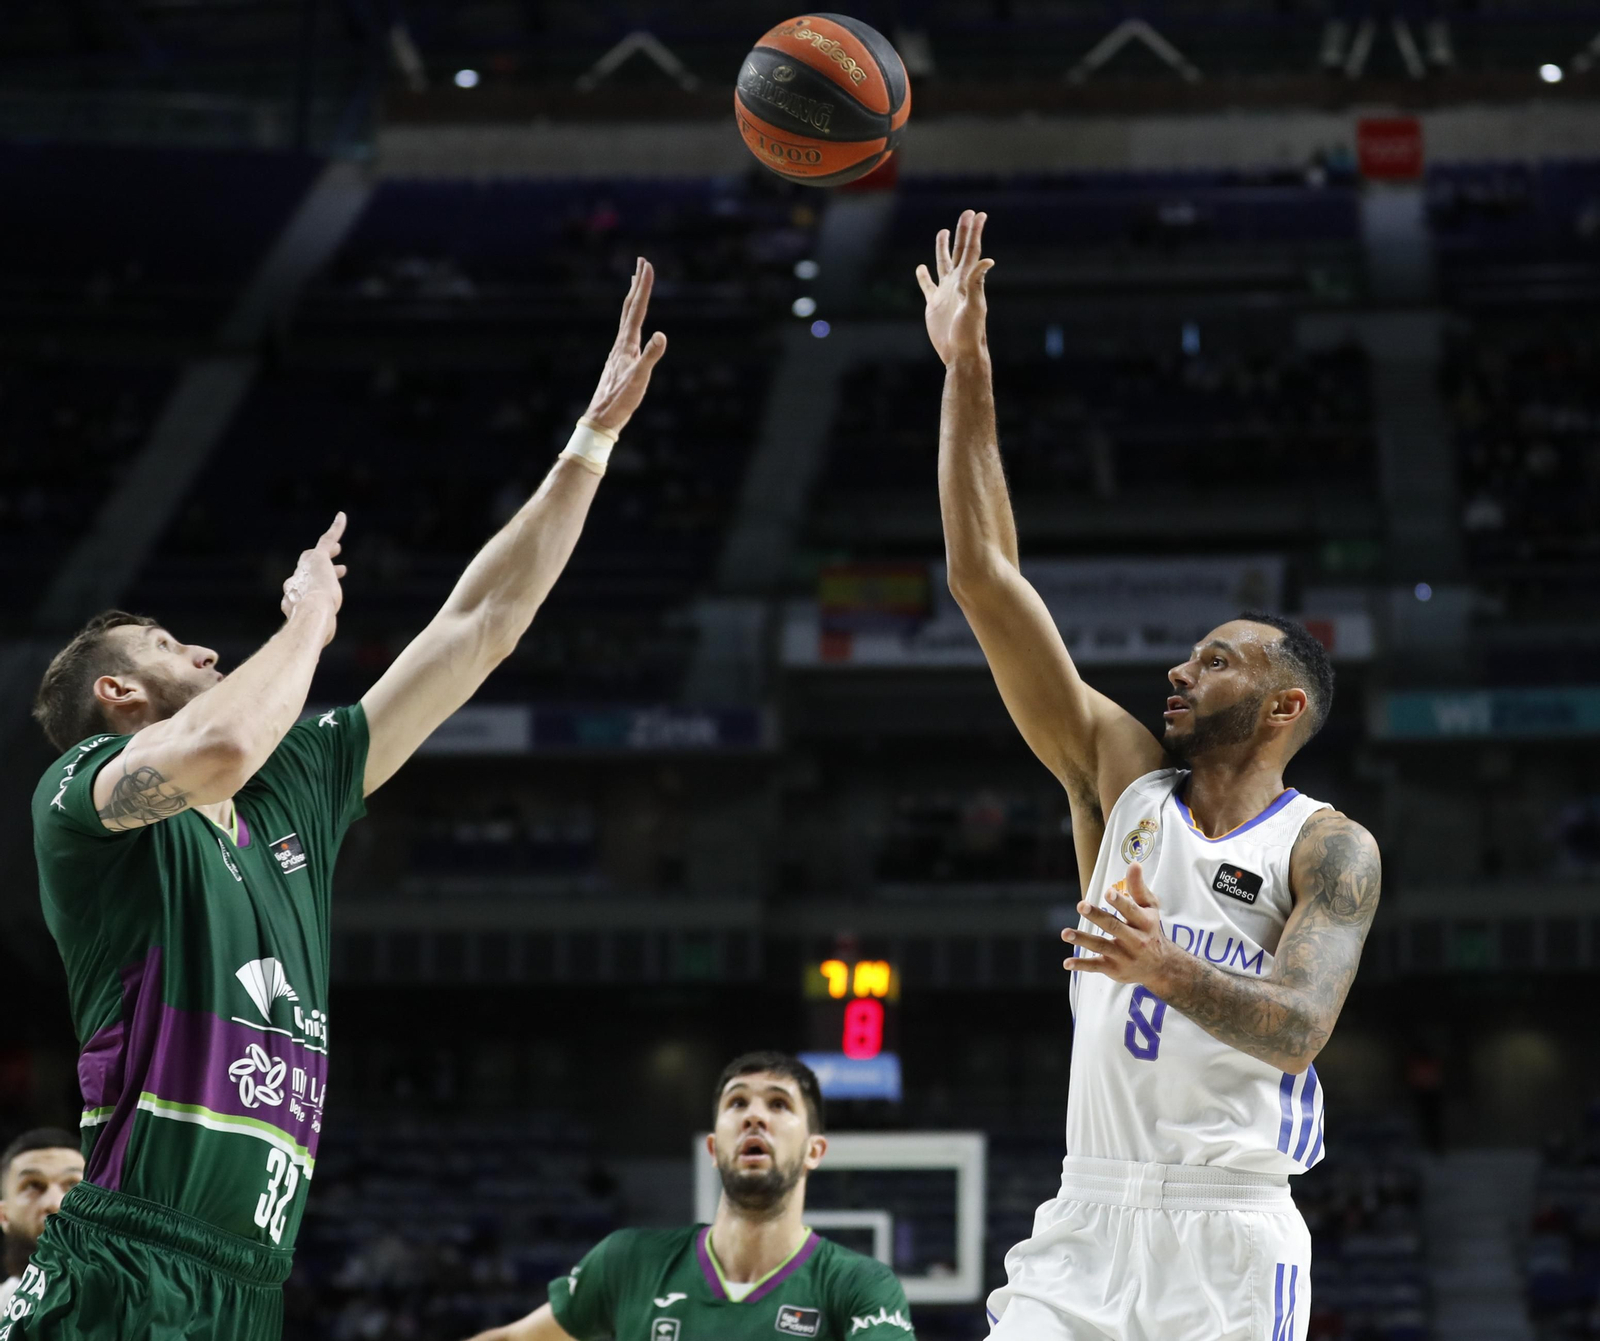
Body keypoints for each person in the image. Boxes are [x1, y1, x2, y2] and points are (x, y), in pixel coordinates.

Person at [10, 261, 669, 1341]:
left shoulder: (295, 793)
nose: (208, 648)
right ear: (118, 694)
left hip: (248, 1285)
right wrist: (311, 620)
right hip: (130, 1270)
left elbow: (479, 626)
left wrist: (586, 448)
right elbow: (220, 742)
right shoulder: (84, 798)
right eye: (173, 647)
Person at [916, 211, 1382, 1341]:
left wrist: (1166, 964)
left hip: (1228, 1233)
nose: (1179, 668)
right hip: (1087, 1211)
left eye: (1215, 659)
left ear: (1284, 707)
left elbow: (1298, 1030)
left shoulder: (1327, 846)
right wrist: (966, 369)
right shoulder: (1120, 781)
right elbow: (983, 579)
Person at [462, 1052, 915, 1341]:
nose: (755, 1116)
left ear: (814, 1150)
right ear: (714, 1149)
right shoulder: (628, 1261)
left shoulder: (860, 1287)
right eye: (738, 1103)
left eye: (778, 1104)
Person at [0, 1132, 82, 1321]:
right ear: (4, 1216)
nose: (54, 1203)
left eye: (72, 1184)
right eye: (33, 1185)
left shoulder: (141, 1307)